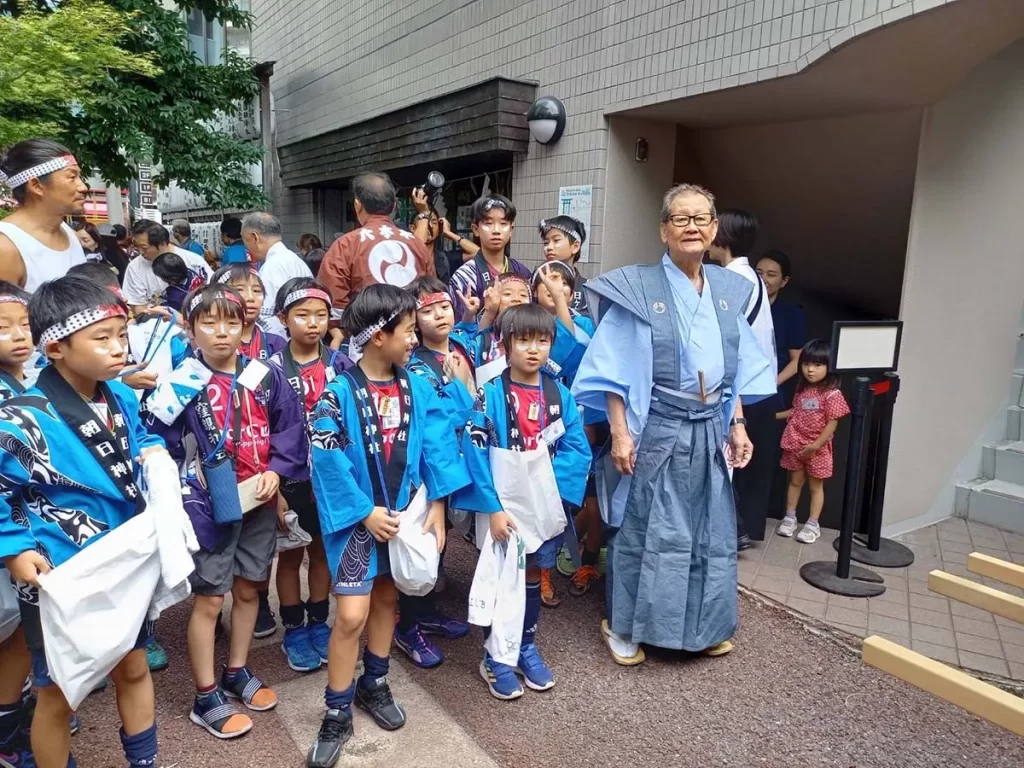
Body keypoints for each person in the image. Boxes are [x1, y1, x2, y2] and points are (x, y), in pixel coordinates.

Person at [572, 183, 775, 665]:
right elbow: (612, 368)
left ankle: (700, 628)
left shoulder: (731, 290)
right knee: (648, 528)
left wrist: (738, 422)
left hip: (709, 425)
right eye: (681, 219)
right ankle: (626, 627)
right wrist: (619, 433)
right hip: (658, 424)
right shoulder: (637, 288)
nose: (692, 227)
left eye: (702, 218)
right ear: (664, 229)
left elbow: (738, 366)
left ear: (714, 228)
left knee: (710, 528)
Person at [0, 275, 167, 768]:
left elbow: (140, 444)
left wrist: (154, 460)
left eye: (122, 335)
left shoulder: (119, 397)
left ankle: (144, 761)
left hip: (121, 560)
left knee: (134, 667)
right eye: (104, 338)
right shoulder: (19, 417)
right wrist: (13, 547)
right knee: (58, 691)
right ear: (55, 347)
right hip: (58, 569)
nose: (119, 349)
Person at [305, 284, 467, 768]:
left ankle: (373, 683)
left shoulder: (416, 383)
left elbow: (438, 441)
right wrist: (362, 511)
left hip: (404, 512)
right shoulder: (337, 392)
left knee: (389, 598)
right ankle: (336, 710)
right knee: (351, 615)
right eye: (407, 331)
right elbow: (325, 455)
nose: (414, 339)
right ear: (378, 336)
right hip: (358, 521)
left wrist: (437, 503)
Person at [148, 283, 307, 740]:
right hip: (207, 505)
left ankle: (237, 670)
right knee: (211, 597)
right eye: (209, 323)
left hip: (256, 499)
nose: (222, 334)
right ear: (190, 328)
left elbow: (288, 425)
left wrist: (277, 470)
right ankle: (205, 694)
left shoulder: (263, 373)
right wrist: (184, 483)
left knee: (250, 588)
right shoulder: (180, 380)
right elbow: (155, 439)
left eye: (231, 323)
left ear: (245, 327)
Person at [458, 303, 591, 699]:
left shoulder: (559, 394)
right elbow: (475, 450)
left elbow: (577, 448)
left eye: (542, 340)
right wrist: (493, 508)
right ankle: (496, 655)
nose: (533, 349)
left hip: (542, 503)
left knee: (533, 575)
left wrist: (554, 498)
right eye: (524, 340)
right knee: (502, 578)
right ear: (505, 344)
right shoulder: (490, 394)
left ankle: (526, 646)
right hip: (501, 503)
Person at [269, 278, 353, 673]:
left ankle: (319, 623)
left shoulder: (342, 366)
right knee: (289, 558)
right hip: (289, 483)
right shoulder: (265, 371)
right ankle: (293, 629)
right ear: (283, 318)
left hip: (332, 480)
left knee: (322, 553)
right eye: (302, 315)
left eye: (321, 315)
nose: (313, 323)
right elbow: (256, 431)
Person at [395, 276, 475, 668]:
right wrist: (461, 385)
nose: (438, 315)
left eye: (443, 306)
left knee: (439, 544)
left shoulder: (463, 345)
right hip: (433, 468)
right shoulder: (416, 369)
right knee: (425, 542)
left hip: (465, 459)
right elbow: (447, 418)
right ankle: (406, 626)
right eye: (426, 311)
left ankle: (424, 611)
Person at [708, 209, 778, 546]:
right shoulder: (751, 278)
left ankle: (733, 531)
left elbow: (726, 339)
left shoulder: (734, 281)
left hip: (740, 391)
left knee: (727, 461)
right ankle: (739, 529)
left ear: (723, 236)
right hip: (755, 389)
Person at [317, 173, 435, 316]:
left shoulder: (345, 245)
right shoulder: (417, 244)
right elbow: (431, 295)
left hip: (365, 333)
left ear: (357, 205)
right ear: (395, 205)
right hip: (412, 331)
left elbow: (333, 304)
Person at [776, 340, 850, 543]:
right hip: (794, 444)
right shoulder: (802, 389)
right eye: (807, 364)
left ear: (829, 366)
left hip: (817, 448)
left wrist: (816, 445)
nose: (810, 370)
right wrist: (773, 416)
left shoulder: (832, 393)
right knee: (795, 481)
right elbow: (796, 411)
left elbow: (832, 423)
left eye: (818, 365)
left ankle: (812, 523)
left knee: (816, 486)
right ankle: (790, 517)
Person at [0, 138, 88, 291]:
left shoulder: (69, 233)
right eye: (72, 177)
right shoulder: (6, 248)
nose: (83, 187)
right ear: (36, 186)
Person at [447, 195, 530, 319]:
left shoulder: (522, 272)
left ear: (511, 230)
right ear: (475, 229)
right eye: (489, 223)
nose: (496, 230)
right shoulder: (464, 277)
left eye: (503, 223)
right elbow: (459, 329)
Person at [241, 212, 313, 337]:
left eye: (245, 241)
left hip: (281, 341)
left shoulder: (272, 267)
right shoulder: (296, 260)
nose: (247, 248)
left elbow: (264, 317)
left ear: (255, 237)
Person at [121, 221, 212, 312]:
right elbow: (139, 307)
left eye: (144, 247)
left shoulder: (194, 261)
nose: (141, 252)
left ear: (163, 243)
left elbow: (214, 292)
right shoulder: (135, 268)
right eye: (137, 247)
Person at [756, 250, 808, 397]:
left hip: (775, 391)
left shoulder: (792, 313)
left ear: (784, 281)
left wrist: (773, 383)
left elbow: (797, 359)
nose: (763, 279)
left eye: (771, 275)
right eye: (759, 273)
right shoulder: (741, 306)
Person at [212, 264, 287, 365]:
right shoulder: (210, 343)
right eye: (239, 290)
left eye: (256, 290)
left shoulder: (275, 343)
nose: (251, 297)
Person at [409, 188, 479, 283]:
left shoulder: (444, 259)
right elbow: (417, 249)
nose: (429, 226)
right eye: (424, 221)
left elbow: (477, 253)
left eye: (433, 222)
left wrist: (449, 233)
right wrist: (424, 213)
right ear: (413, 228)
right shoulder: (405, 255)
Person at [539, 216, 589, 315]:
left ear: (575, 246)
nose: (549, 247)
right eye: (546, 242)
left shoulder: (587, 289)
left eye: (556, 240)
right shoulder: (536, 280)